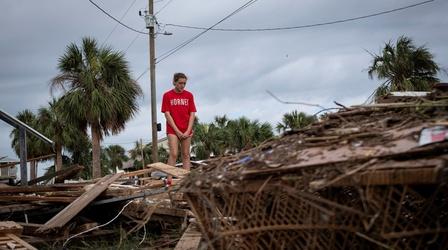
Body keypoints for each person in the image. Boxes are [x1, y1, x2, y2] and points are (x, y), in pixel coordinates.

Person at [161, 72, 196, 186]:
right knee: (174, 153)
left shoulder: (189, 95)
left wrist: (187, 131)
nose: (182, 86)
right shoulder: (167, 95)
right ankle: (169, 180)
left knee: (186, 154)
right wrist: (177, 131)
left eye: (184, 83)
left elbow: (192, 114)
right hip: (173, 129)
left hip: (186, 129)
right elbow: (167, 114)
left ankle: (186, 180)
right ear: (174, 82)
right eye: (180, 83)